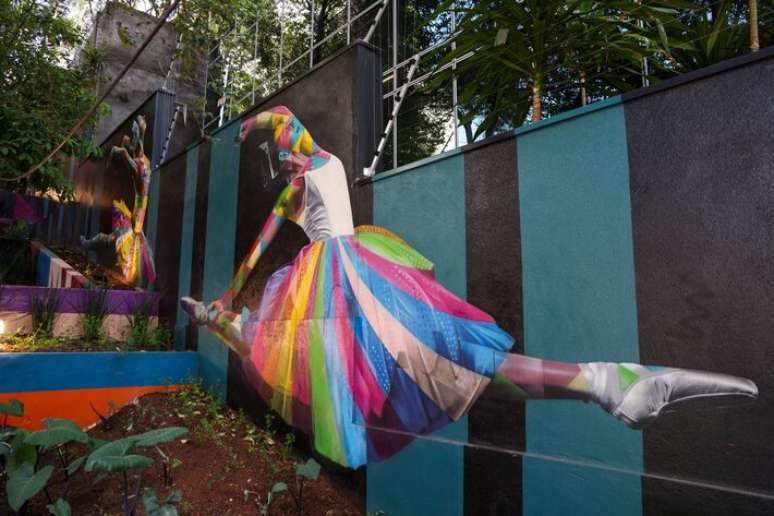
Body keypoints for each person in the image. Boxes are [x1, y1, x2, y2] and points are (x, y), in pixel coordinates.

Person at [181, 106, 757, 469]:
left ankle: (607, 382)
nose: (285, 161)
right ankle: (608, 382)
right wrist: (226, 302)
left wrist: (251, 126)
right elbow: (257, 252)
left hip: (351, 273)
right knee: (328, 357)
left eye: (286, 152)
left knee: (433, 351)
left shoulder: (323, 163)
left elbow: (284, 116)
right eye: (281, 159)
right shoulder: (291, 192)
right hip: (319, 286)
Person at [81, 115, 156, 287]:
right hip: (138, 211)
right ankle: (90, 243)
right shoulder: (142, 161)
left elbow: (127, 154)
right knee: (118, 237)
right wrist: (136, 135)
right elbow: (135, 149)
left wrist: (120, 149)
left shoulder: (140, 167)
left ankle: (91, 243)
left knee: (120, 239)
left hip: (138, 214)